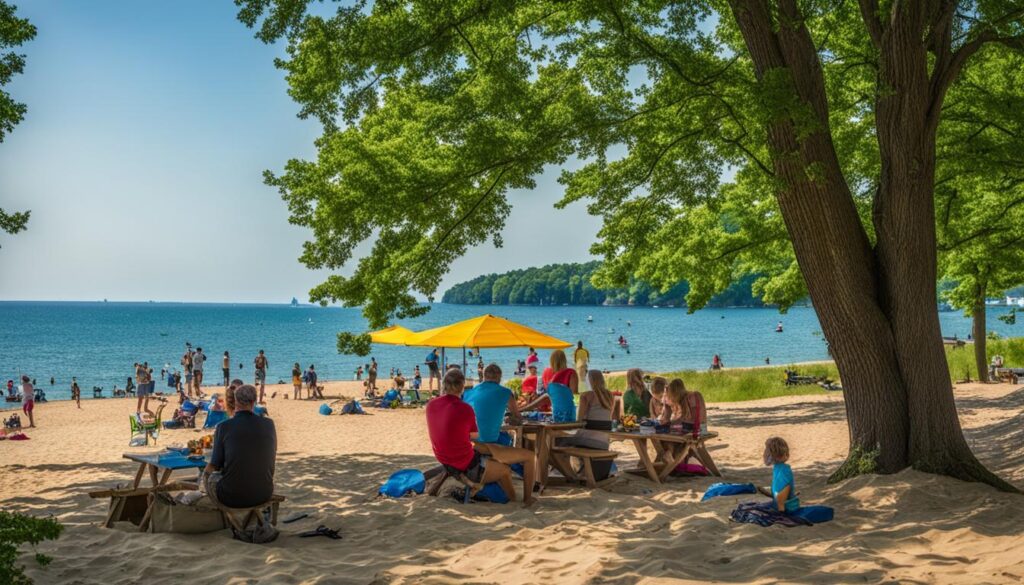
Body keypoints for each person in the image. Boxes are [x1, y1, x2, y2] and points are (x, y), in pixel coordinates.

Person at [425, 368, 533, 506]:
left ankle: (479, 487)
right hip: (466, 463)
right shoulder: (465, 409)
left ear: (444, 384)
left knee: (489, 453)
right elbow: (475, 436)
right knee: (505, 471)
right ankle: (511, 500)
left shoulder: (431, 405)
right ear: (462, 387)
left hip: (443, 457)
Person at [461, 363, 537, 501]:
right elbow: (518, 418)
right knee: (527, 455)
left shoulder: (468, 392)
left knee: (503, 438)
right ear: (499, 378)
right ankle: (528, 497)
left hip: (468, 441)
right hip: (487, 442)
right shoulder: (506, 392)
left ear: (483, 377)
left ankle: (514, 471)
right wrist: (511, 418)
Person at [203, 384, 277, 509]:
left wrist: (204, 478)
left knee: (210, 477)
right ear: (254, 402)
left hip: (231, 497)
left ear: (236, 401)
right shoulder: (269, 424)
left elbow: (214, 464)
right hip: (264, 493)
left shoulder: (223, 427)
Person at [557, 370, 620, 481]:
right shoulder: (610, 395)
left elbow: (579, 421)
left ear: (589, 381)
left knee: (558, 441)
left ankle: (570, 474)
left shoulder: (586, 396)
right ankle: (578, 470)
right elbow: (607, 418)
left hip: (590, 440)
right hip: (604, 441)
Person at [521, 350, 577, 421]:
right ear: (564, 360)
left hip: (555, 414)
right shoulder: (571, 372)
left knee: (543, 399)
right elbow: (573, 392)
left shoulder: (547, 373)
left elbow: (548, 395)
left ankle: (521, 410)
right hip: (569, 415)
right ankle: (522, 410)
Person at [764, 436, 799, 513]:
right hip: (782, 505)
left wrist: (781, 513)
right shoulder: (780, 468)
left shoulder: (782, 470)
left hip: (787, 509)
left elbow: (781, 496)